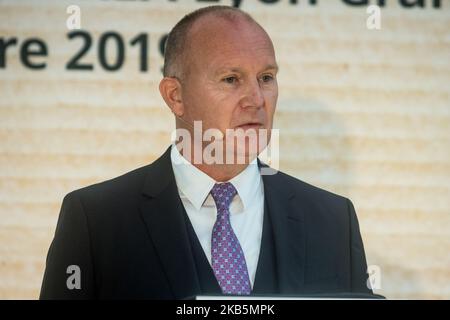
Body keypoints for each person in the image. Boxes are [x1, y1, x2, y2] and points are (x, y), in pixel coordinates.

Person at [40, 5, 372, 299]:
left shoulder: (332, 221)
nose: (257, 99)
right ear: (175, 96)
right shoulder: (96, 221)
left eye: (266, 78)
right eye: (231, 79)